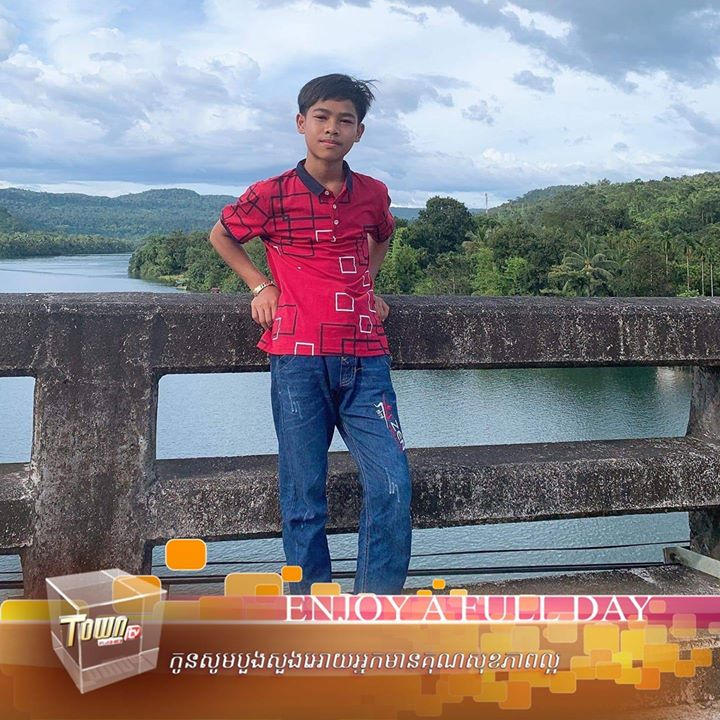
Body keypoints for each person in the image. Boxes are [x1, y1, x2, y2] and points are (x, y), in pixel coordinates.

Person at [209, 73, 411, 595]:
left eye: (345, 120)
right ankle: (310, 611)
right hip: (297, 358)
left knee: (392, 483)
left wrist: (367, 285)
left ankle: (375, 611)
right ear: (302, 123)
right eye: (321, 117)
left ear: (359, 132)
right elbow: (222, 235)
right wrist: (260, 285)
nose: (332, 128)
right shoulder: (271, 194)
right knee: (303, 496)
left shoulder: (372, 193)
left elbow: (383, 235)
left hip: (365, 357)